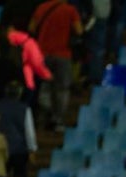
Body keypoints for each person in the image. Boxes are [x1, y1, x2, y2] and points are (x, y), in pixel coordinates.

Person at [28, 0, 83, 129]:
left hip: (42, 54)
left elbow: (31, 28)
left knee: (44, 87)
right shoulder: (70, 10)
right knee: (62, 89)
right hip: (63, 55)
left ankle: (43, 117)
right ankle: (57, 120)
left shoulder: (41, 7)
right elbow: (79, 30)